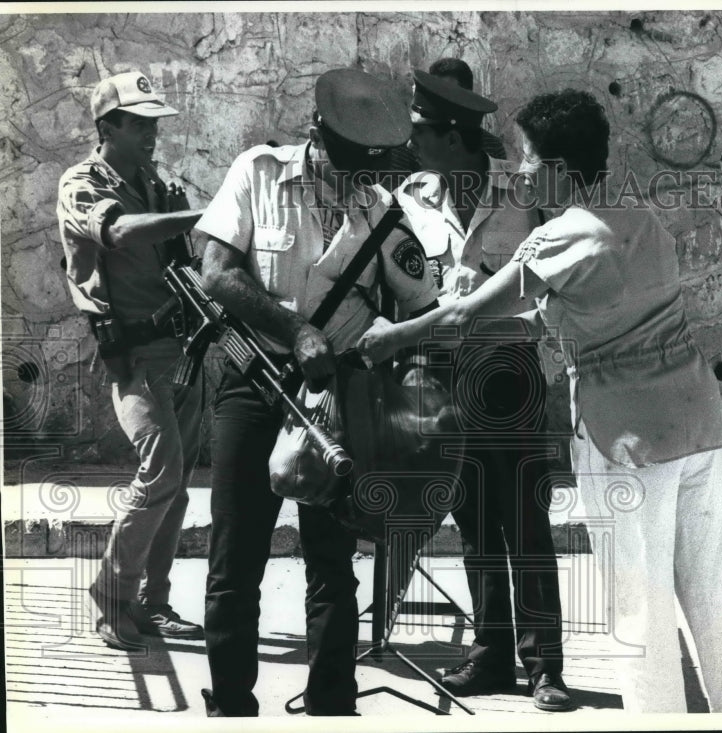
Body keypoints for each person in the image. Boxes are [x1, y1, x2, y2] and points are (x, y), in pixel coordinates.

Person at [358, 89, 722, 714]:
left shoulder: (562, 239)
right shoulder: (644, 221)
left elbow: (466, 313)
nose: (519, 170)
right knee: (720, 598)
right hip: (703, 425)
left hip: (629, 436)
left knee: (640, 604)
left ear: (554, 170)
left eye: (525, 157)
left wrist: (394, 336)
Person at [194, 68, 439, 717]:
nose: (352, 180)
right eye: (344, 162)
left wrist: (395, 348)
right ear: (315, 134)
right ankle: (231, 702)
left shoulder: (383, 213)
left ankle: (333, 702)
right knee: (235, 556)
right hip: (254, 380)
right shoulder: (258, 172)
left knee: (331, 565)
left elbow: (424, 302)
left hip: (338, 399)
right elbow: (215, 272)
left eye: (366, 168)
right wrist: (295, 328)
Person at [394, 70, 572, 712]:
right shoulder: (409, 196)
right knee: (472, 522)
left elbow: (559, 267)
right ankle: (490, 654)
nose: (409, 141)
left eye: (420, 130)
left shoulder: (522, 191)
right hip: (445, 375)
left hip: (510, 369)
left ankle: (544, 664)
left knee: (525, 522)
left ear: (454, 136)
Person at [56, 70, 206, 651]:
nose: (151, 134)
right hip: (133, 352)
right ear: (106, 126)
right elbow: (117, 233)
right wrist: (203, 215)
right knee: (161, 469)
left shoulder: (157, 183)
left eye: (154, 124)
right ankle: (112, 595)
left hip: (180, 346)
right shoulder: (82, 182)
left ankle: (153, 601)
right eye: (138, 123)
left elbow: (183, 260)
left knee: (179, 481)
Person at [385, 57, 506, 188]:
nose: (441, 99)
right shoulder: (408, 144)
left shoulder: (492, 146)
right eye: (435, 92)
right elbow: (394, 196)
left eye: (448, 93)